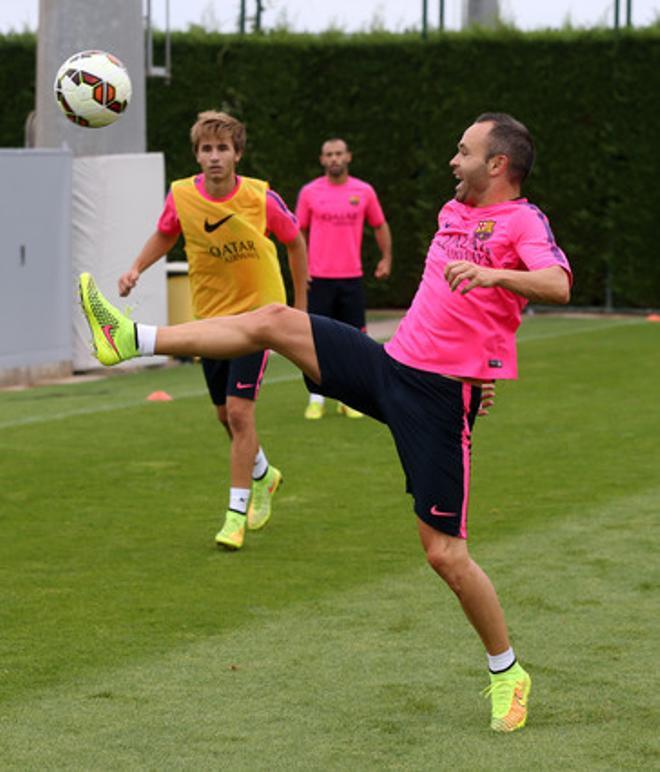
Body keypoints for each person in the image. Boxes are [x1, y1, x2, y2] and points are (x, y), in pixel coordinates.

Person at [79, 112, 571, 732]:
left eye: (464, 151)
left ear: (498, 165)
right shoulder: (454, 212)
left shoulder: (522, 221)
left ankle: (508, 671)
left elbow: (556, 282)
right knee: (274, 320)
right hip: (391, 367)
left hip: (439, 403)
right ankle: (131, 337)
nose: (453, 159)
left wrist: (492, 284)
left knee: (444, 554)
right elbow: (457, 313)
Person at [116, 110, 308, 551]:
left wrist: (299, 307)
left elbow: (294, 241)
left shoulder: (261, 198)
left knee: (241, 413)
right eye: (207, 149)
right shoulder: (182, 196)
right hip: (211, 321)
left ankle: (235, 516)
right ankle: (264, 474)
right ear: (198, 156)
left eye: (223, 148)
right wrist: (135, 269)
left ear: (237, 154)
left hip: (259, 320)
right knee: (225, 415)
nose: (215, 156)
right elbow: (166, 234)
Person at [296, 138, 392, 419]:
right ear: (322, 160)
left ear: (348, 156)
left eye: (339, 153)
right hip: (318, 279)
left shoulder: (363, 191)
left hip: (351, 278)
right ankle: (316, 398)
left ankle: (349, 400)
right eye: (329, 154)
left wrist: (386, 258)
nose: (334, 158)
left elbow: (379, 225)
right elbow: (296, 233)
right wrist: (301, 271)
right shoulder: (310, 192)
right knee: (314, 342)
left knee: (355, 341)